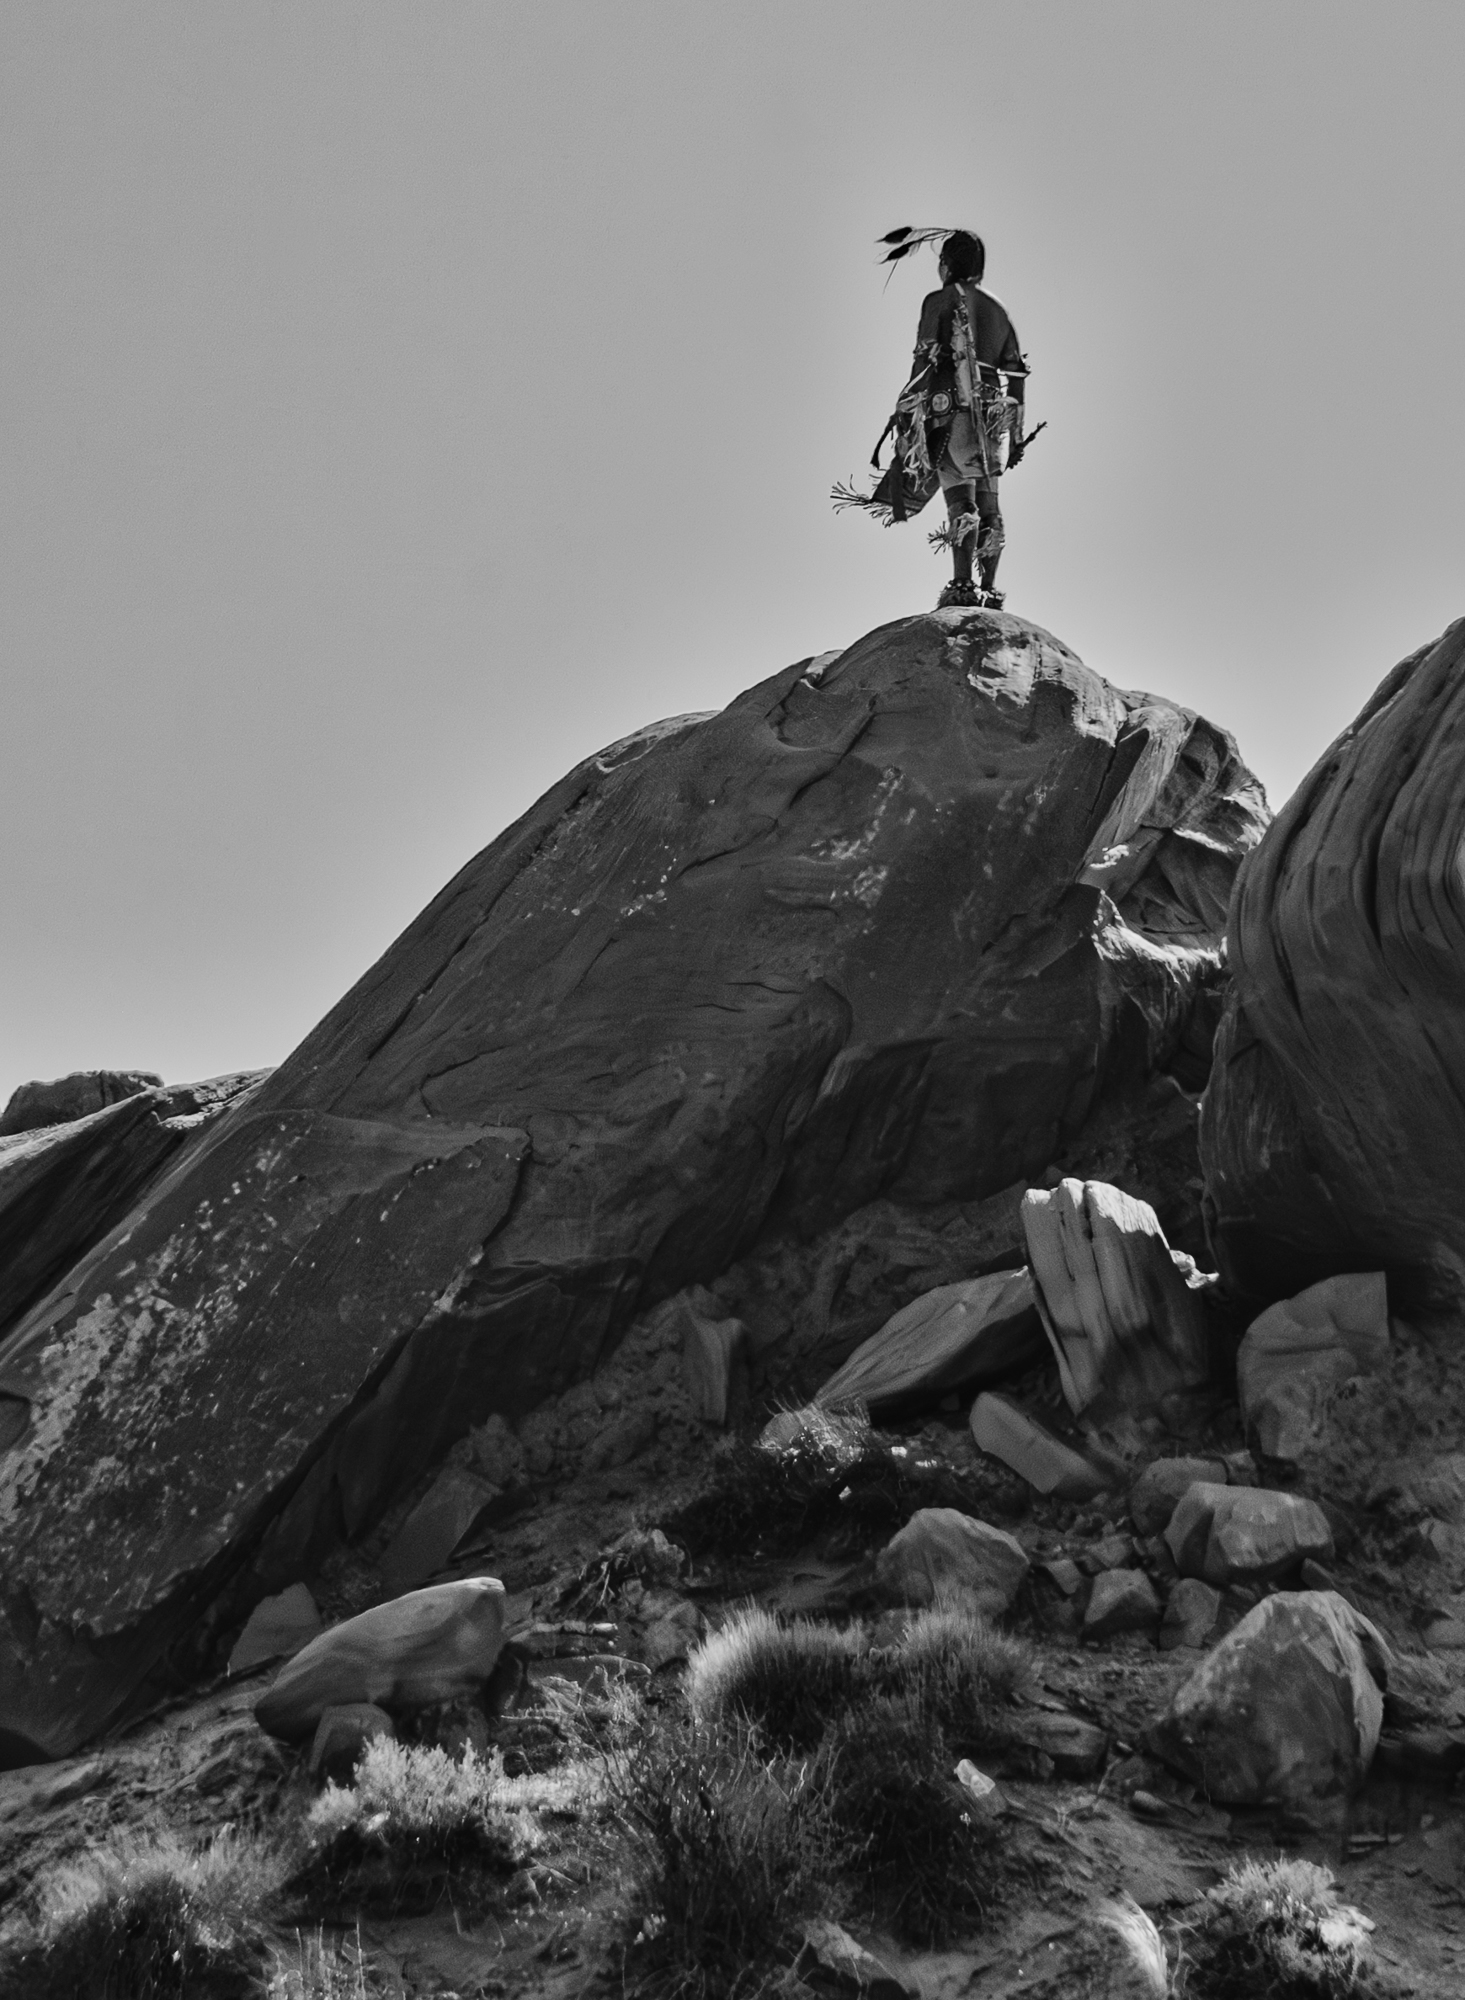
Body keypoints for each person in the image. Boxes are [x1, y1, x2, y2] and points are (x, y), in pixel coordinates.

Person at [834, 227, 1031, 610]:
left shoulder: (938, 301)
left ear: (947, 265)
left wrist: (908, 411)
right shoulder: (997, 310)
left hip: (949, 416)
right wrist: (1016, 436)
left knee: (962, 501)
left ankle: (962, 586)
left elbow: (923, 360)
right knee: (990, 504)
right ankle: (990, 592)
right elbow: (1018, 377)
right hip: (992, 426)